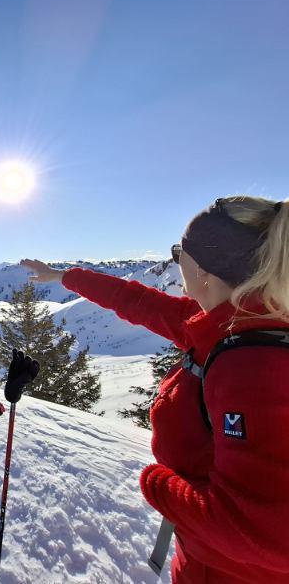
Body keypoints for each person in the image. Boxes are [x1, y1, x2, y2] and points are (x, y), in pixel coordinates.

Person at [21, 195, 289, 583]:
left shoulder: (251, 366)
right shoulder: (224, 322)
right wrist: (64, 276)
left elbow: (265, 534)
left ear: (204, 273)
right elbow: (136, 301)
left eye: (179, 251)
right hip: (204, 559)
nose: (176, 259)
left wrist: (159, 484)